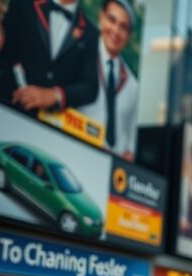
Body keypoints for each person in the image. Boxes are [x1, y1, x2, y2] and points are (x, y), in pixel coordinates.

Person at [0, 0, 98, 112]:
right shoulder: (23, 3)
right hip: (4, 104)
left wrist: (55, 95)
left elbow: (90, 88)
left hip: (50, 123)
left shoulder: (91, 33)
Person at [78, 0, 138, 161]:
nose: (116, 31)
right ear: (101, 17)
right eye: (111, 20)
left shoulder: (132, 86)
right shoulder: (78, 54)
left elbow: (130, 145)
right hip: (75, 151)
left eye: (123, 27)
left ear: (129, 36)